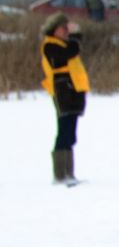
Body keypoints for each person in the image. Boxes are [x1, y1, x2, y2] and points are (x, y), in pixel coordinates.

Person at [39, 13, 87, 185]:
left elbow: (75, 46)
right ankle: (60, 174)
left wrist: (74, 34)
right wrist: (73, 36)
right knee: (64, 131)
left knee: (71, 133)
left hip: (74, 90)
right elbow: (68, 53)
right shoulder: (50, 45)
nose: (66, 32)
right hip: (62, 91)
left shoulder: (65, 43)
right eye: (63, 28)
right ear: (54, 29)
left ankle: (69, 173)